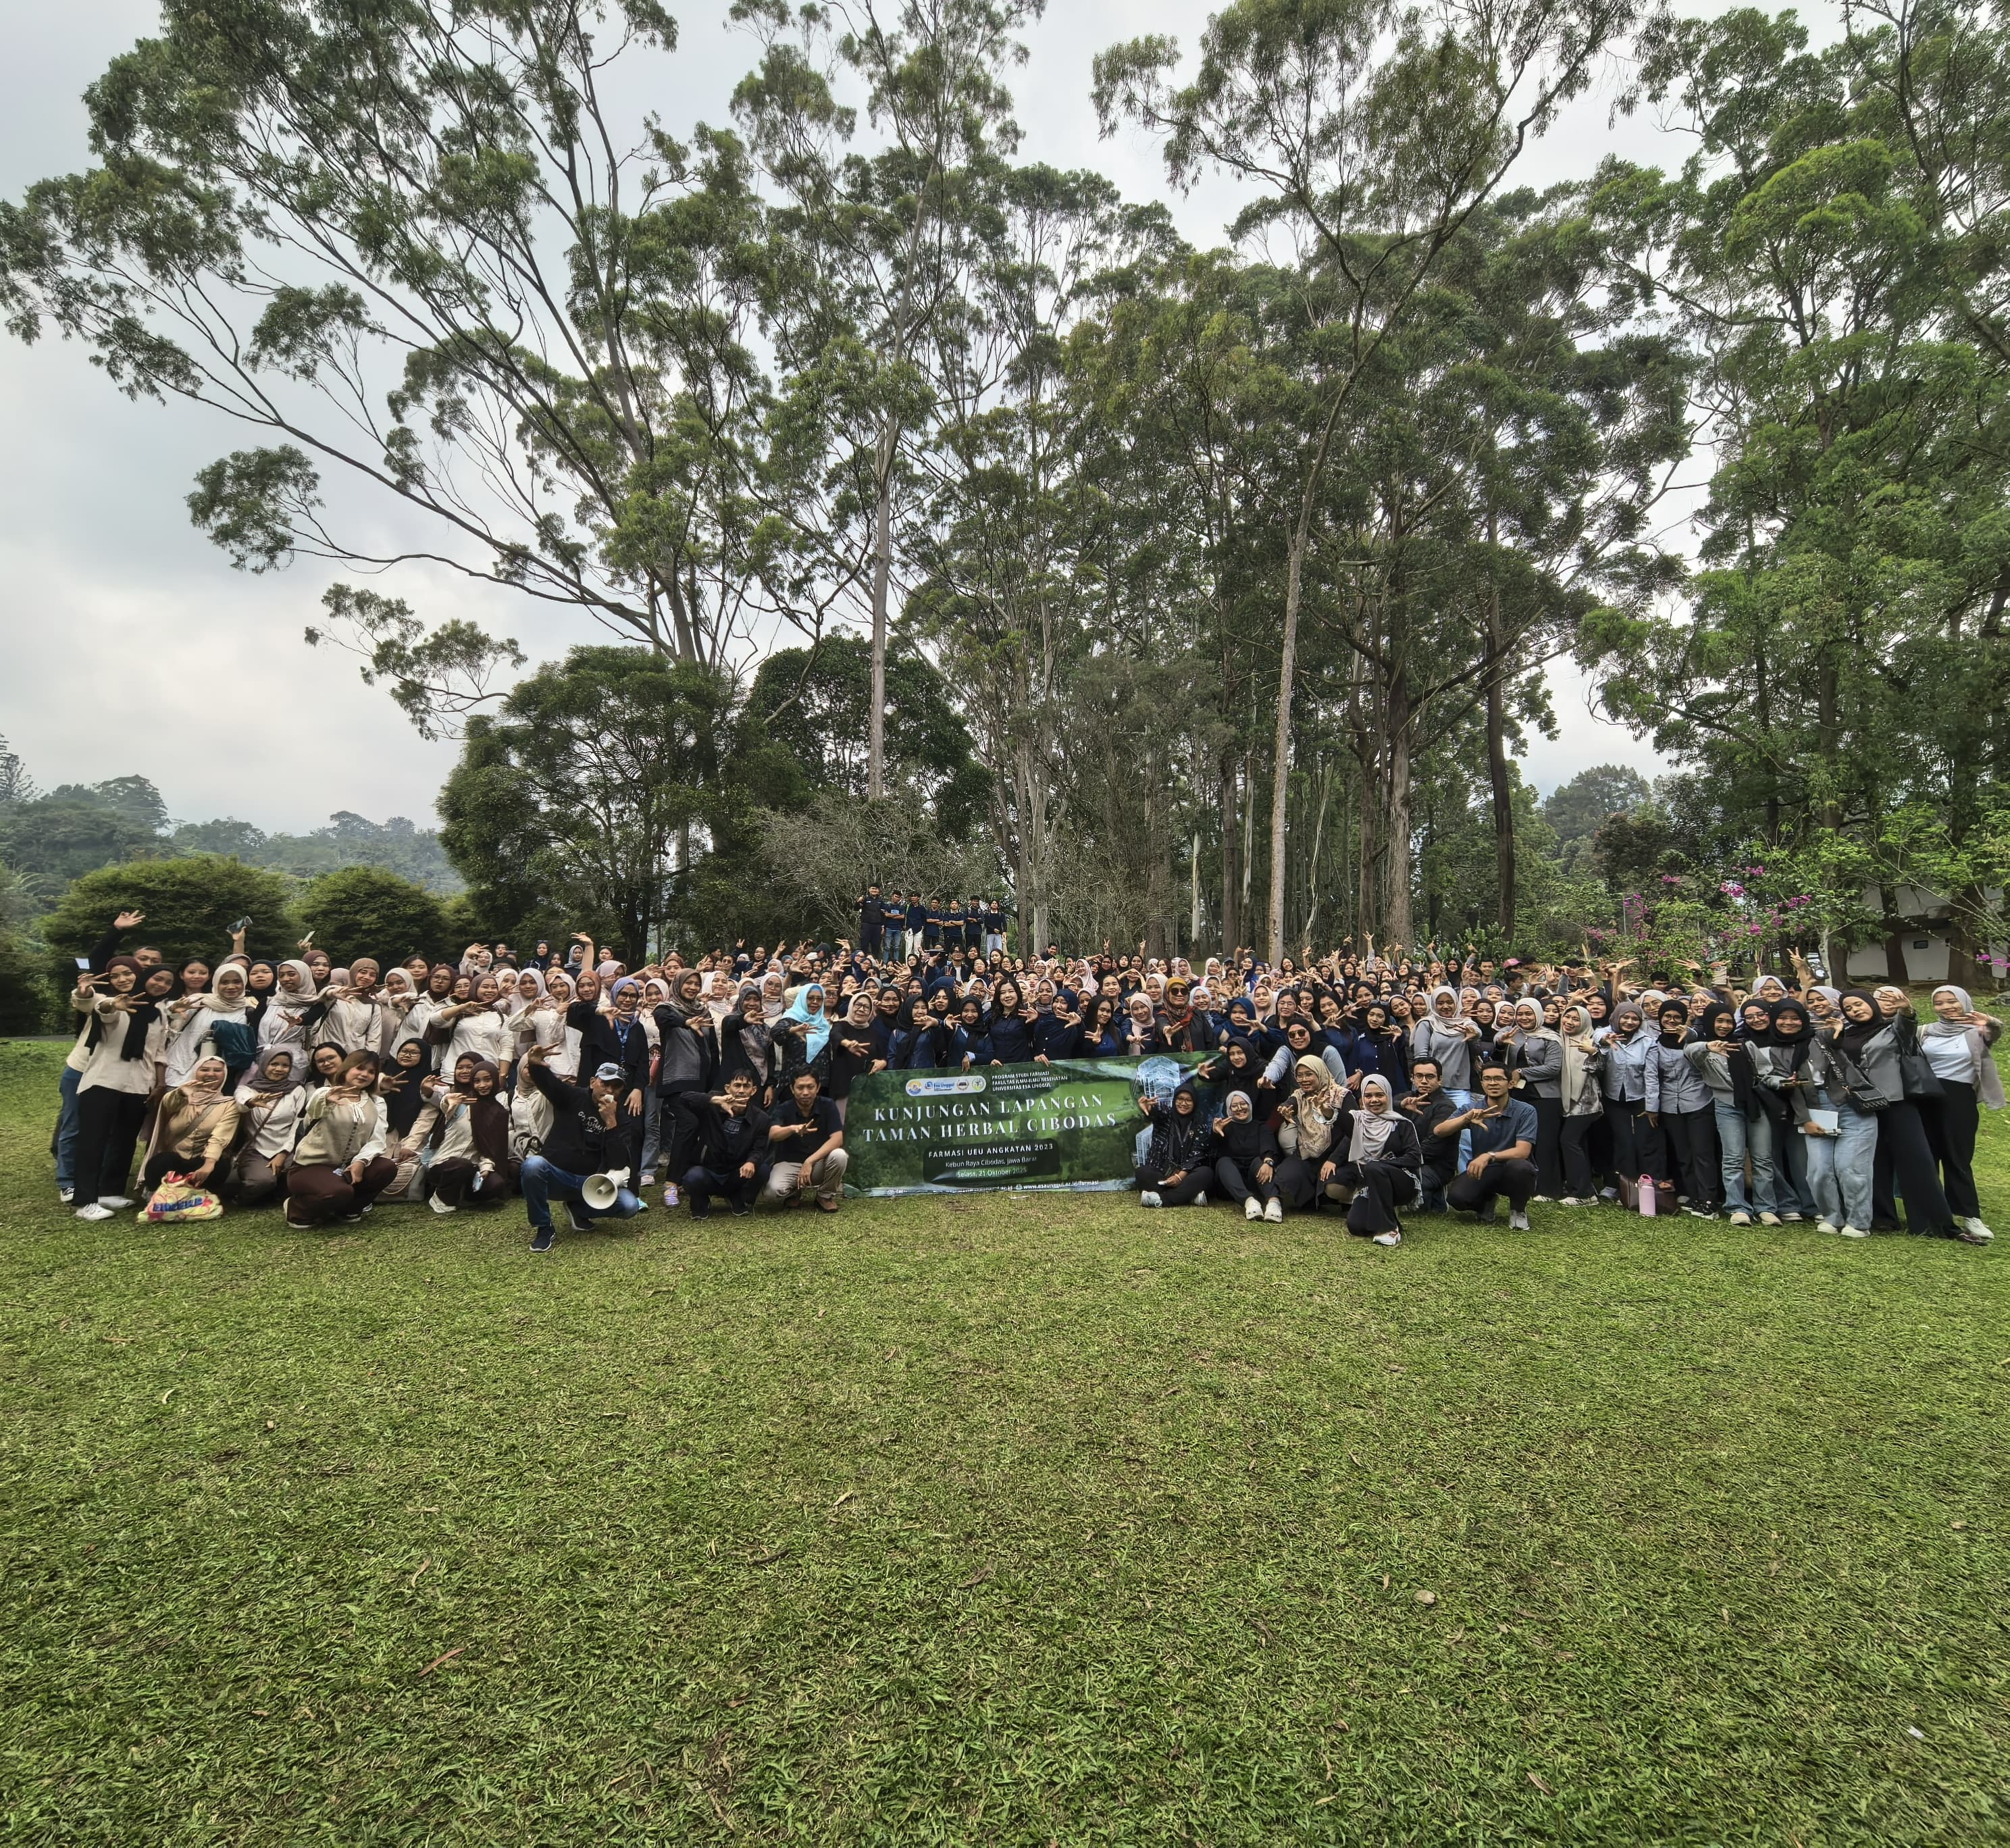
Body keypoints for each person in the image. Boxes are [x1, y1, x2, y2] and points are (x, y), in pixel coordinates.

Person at [518, 1050, 648, 1252]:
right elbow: (550, 1085)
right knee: (533, 1166)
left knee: (629, 1205)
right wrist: (535, 1065)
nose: (609, 1090)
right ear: (592, 1082)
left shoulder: (621, 1118)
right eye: (605, 1083)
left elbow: (619, 1163)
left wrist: (611, 1123)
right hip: (557, 1177)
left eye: (616, 1086)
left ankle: (578, 1210)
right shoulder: (573, 1097)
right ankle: (544, 1227)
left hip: (591, 1185)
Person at [70, 958, 168, 1221]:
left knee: (124, 1141)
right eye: (116, 975)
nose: (123, 979)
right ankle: (85, 1201)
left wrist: (159, 1084)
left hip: (139, 1084)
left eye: (128, 974)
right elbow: (97, 1007)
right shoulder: (109, 1001)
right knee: (93, 1141)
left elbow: (158, 1052)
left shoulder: (159, 1013)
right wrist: (112, 1003)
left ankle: (110, 1191)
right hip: (104, 1081)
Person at [1917, 985, 2002, 1243]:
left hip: (1959, 1098)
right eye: (1939, 1003)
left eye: (1952, 1001)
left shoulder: (1977, 1030)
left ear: (1964, 1001)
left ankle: (1970, 1216)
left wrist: (1990, 1021)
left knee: (1958, 1157)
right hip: (1925, 1096)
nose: (1946, 1007)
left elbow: (1995, 1031)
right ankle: (1931, 1215)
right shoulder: (1925, 1031)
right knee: (1926, 1157)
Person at [284, 1051, 398, 1229]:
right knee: (339, 1191)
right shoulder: (326, 1093)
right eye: (360, 1068)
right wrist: (327, 1098)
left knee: (386, 1168)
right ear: (346, 1069)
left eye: (371, 1072)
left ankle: (349, 1209)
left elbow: (377, 1139)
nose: (365, 1074)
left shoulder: (377, 1102)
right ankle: (297, 1209)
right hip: (311, 1166)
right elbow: (313, 1110)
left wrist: (361, 1161)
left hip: (348, 1166)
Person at [1320, 1073, 1423, 1246]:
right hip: (1371, 1184)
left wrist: (1382, 1164)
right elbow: (1343, 1120)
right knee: (1356, 1226)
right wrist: (1327, 1110)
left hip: (1402, 1183)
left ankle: (1389, 1229)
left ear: (1388, 1096)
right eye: (1368, 1096)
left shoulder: (1402, 1124)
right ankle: (1389, 1216)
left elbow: (1414, 1158)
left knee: (1374, 1168)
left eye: (1379, 1095)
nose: (1374, 1100)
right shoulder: (1359, 1121)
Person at [1644, 999, 1720, 1218]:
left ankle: (1709, 1199)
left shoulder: (1693, 1039)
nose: (1671, 1021)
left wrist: (1690, 1034)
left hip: (1699, 1101)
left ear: (1685, 1019)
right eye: (1667, 1017)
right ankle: (1693, 1195)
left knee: (1702, 1153)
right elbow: (1651, 1077)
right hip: (1670, 1105)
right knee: (1684, 1154)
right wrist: (1652, 1108)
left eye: (1677, 1017)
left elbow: (1701, 1044)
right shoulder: (1654, 1045)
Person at [1443, 1063, 1539, 1230]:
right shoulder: (1472, 1109)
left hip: (1512, 1169)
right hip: (1484, 1171)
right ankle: (1485, 1203)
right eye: (1487, 1079)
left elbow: (1523, 1151)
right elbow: (1439, 1131)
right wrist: (1466, 1119)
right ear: (1482, 1084)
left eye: (1498, 1079)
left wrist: (1488, 1156)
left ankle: (1518, 1210)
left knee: (1521, 1168)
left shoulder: (1526, 1111)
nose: (1492, 1083)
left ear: (1511, 1083)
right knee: (1456, 1198)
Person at [138, 1055, 241, 1200]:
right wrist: (181, 1092)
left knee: (219, 1167)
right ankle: (164, 1194)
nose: (211, 1074)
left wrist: (209, 1164)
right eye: (204, 1070)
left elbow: (220, 1136)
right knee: (161, 1162)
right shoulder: (181, 1098)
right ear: (195, 1072)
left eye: (217, 1070)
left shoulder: (229, 1104)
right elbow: (168, 1104)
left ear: (225, 1075)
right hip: (174, 1159)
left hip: (201, 1161)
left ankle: (192, 1196)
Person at [681, 1070, 773, 1217]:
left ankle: (739, 1197)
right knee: (693, 1177)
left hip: (736, 1174)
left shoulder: (761, 1119)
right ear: (728, 1088)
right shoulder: (712, 1107)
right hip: (709, 1171)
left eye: (746, 1086)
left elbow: (759, 1149)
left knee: (762, 1169)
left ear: (754, 1090)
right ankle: (701, 1201)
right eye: (737, 1085)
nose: (741, 1091)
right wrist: (715, 1100)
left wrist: (751, 1162)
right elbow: (684, 1098)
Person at [761, 1068, 848, 1211]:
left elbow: (838, 1139)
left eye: (810, 1087)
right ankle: (794, 1193)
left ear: (818, 1087)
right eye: (800, 1088)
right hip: (790, 1164)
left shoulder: (828, 1105)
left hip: (818, 1163)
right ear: (792, 1089)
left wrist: (810, 1161)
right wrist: (792, 1129)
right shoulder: (784, 1108)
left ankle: (824, 1196)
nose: (806, 1092)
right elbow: (773, 1133)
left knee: (840, 1156)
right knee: (772, 1192)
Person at [230, 1050, 306, 1206]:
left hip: (287, 1148)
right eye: (274, 1064)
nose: (279, 1069)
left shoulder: (297, 1090)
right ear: (264, 1065)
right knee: (262, 1181)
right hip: (256, 1149)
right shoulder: (248, 1089)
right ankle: (241, 1199)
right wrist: (251, 1102)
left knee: (302, 1176)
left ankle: (278, 1194)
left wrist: (283, 1154)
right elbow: (241, 1103)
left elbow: (296, 1126)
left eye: (285, 1065)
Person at [1208, 1088, 1283, 1223]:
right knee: (1223, 1162)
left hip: (1255, 1179)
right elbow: (1213, 1153)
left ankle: (1274, 1203)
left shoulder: (1261, 1127)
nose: (1240, 1108)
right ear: (1229, 1109)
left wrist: (1268, 1162)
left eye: (1243, 1104)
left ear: (1250, 1105)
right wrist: (1215, 1134)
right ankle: (1249, 1202)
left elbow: (1269, 1148)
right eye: (1234, 1106)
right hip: (1231, 1183)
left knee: (1261, 1161)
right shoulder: (1225, 1127)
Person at [1135, 1081, 1213, 1208]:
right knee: (1142, 1173)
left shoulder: (1200, 1124)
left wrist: (1180, 1177)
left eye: (1189, 1100)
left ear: (1195, 1103)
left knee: (1206, 1173)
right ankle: (1188, 1196)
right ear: (1174, 1100)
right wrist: (1149, 1109)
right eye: (1180, 1099)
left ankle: (1161, 1199)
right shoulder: (1166, 1118)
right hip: (1163, 1174)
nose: (1184, 1103)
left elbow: (1198, 1155)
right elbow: (1157, 1115)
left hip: (1186, 1175)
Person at [1397, 1058, 1462, 1212]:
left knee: (1399, 1182)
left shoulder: (1446, 1107)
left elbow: (1433, 1145)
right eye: (1419, 1076)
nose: (1424, 1081)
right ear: (1412, 1078)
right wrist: (1400, 1105)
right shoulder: (1405, 1098)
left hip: (1435, 1166)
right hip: (1407, 1160)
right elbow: (1385, 1106)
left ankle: (1437, 1194)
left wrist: (1401, 1162)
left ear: (1440, 1080)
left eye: (1430, 1077)